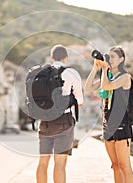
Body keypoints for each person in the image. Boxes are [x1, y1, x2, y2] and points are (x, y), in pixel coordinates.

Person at [85, 46, 133, 183]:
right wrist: (96, 68)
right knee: (115, 166)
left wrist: (105, 69)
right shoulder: (107, 77)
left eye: (113, 57)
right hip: (107, 125)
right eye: (109, 56)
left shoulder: (125, 77)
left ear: (121, 59)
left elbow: (107, 86)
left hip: (121, 124)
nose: (110, 59)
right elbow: (88, 87)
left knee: (125, 166)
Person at [36, 44, 84, 183]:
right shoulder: (71, 73)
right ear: (66, 57)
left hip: (44, 121)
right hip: (64, 121)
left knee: (43, 162)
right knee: (60, 164)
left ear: (51, 57)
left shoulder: (42, 73)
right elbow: (79, 101)